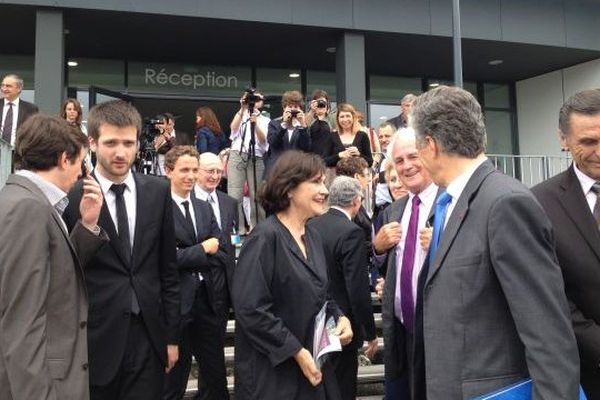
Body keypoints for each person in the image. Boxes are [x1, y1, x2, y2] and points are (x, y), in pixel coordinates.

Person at [412, 85, 579, 399]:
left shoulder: (505, 203)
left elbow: (548, 334)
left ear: (431, 145)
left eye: (417, 148)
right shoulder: (450, 203)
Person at [62, 100, 180, 400]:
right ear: (92, 142)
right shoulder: (72, 196)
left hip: (148, 336)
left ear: (138, 143)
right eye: (111, 142)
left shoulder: (158, 191)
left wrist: (171, 337)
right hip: (95, 338)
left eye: (128, 143)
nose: (120, 152)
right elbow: (66, 271)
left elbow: (167, 270)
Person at [0, 114, 108, 400]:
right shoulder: (28, 208)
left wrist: (86, 225)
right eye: (83, 162)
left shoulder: (30, 202)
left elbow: (56, 275)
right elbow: (23, 321)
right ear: (64, 159)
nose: (84, 173)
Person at [232, 151, 353, 400]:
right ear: (289, 189)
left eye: (324, 182)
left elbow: (320, 294)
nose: (325, 190)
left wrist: (339, 318)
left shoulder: (313, 237)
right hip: (274, 377)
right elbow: (250, 309)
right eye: (316, 182)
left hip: (311, 371)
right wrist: (296, 350)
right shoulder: (264, 238)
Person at [531, 88, 600, 399]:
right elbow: (549, 293)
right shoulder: (538, 202)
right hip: (583, 371)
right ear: (564, 140)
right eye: (588, 142)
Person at [371, 129, 437, 400]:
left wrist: (442, 243)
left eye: (413, 156)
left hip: (435, 334)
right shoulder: (394, 210)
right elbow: (387, 265)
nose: (406, 166)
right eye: (399, 161)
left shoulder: (450, 203)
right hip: (400, 331)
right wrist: (377, 247)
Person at [162, 146, 229, 400]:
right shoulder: (159, 208)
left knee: (215, 378)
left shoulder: (204, 207)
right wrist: (202, 249)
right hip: (176, 306)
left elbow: (220, 248)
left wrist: (187, 253)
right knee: (173, 381)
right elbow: (166, 259)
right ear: (168, 171)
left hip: (208, 303)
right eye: (184, 170)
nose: (190, 176)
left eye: (193, 170)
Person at [308, 176, 378, 400]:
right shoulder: (351, 232)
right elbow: (357, 288)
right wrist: (370, 332)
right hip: (341, 324)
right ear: (357, 202)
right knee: (342, 387)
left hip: (313, 317)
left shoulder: (311, 224)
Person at [227, 90, 270, 234]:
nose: (254, 101)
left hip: (256, 156)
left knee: (257, 193)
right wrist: (242, 108)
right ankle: (237, 229)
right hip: (237, 154)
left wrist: (256, 123)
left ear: (262, 102)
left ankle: (257, 228)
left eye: (257, 98)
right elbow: (233, 130)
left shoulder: (265, 120)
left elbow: (264, 141)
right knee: (234, 193)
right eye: (251, 99)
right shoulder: (241, 114)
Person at [264, 90, 311, 178]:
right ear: (284, 108)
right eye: (290, 106)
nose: (293, 109)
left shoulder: (303, 126)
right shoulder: (274, 123)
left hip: (296, 169)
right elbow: (273, 143)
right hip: (277, 169)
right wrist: (284, 124)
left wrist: (303, 125)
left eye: (296, 107)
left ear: (300, 109)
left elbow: (306, 147)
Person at [306, 89, 344, 168]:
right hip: (312, 157)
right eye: (318, 102)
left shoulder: (332, 118)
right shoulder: (309, 116)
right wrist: (312, 112)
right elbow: (305, 127)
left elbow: (336, 133)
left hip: (329, 158)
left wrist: (323, 115)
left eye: (323, 102)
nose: (320, 104)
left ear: (327, 103)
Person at [1, 74, 38, 146]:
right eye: (3, 85)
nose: (4, 89)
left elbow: (33, 132)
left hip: (19, 152)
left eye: (8, 86)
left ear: (19, 89)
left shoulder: (30, 109)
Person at [334, 103, 373, 167]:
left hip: (357, 176)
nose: (345, 119)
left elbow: (370, 162)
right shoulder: (332, 136)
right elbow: (325, 161)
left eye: (348, 116)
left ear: (353, 117)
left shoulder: (363, 136)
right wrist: (339, 155)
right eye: (342, 116)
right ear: (338, 119)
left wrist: (359, 155)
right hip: (338, 176)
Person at [374, 121, 397, 213]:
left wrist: (379, 177)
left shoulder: (397, 154)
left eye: (387, 136)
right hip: (381, 210)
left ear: (395, 136)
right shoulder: (382, 157)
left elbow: (398, 172)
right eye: (380, 136)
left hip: (392, 207)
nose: (383, 139)